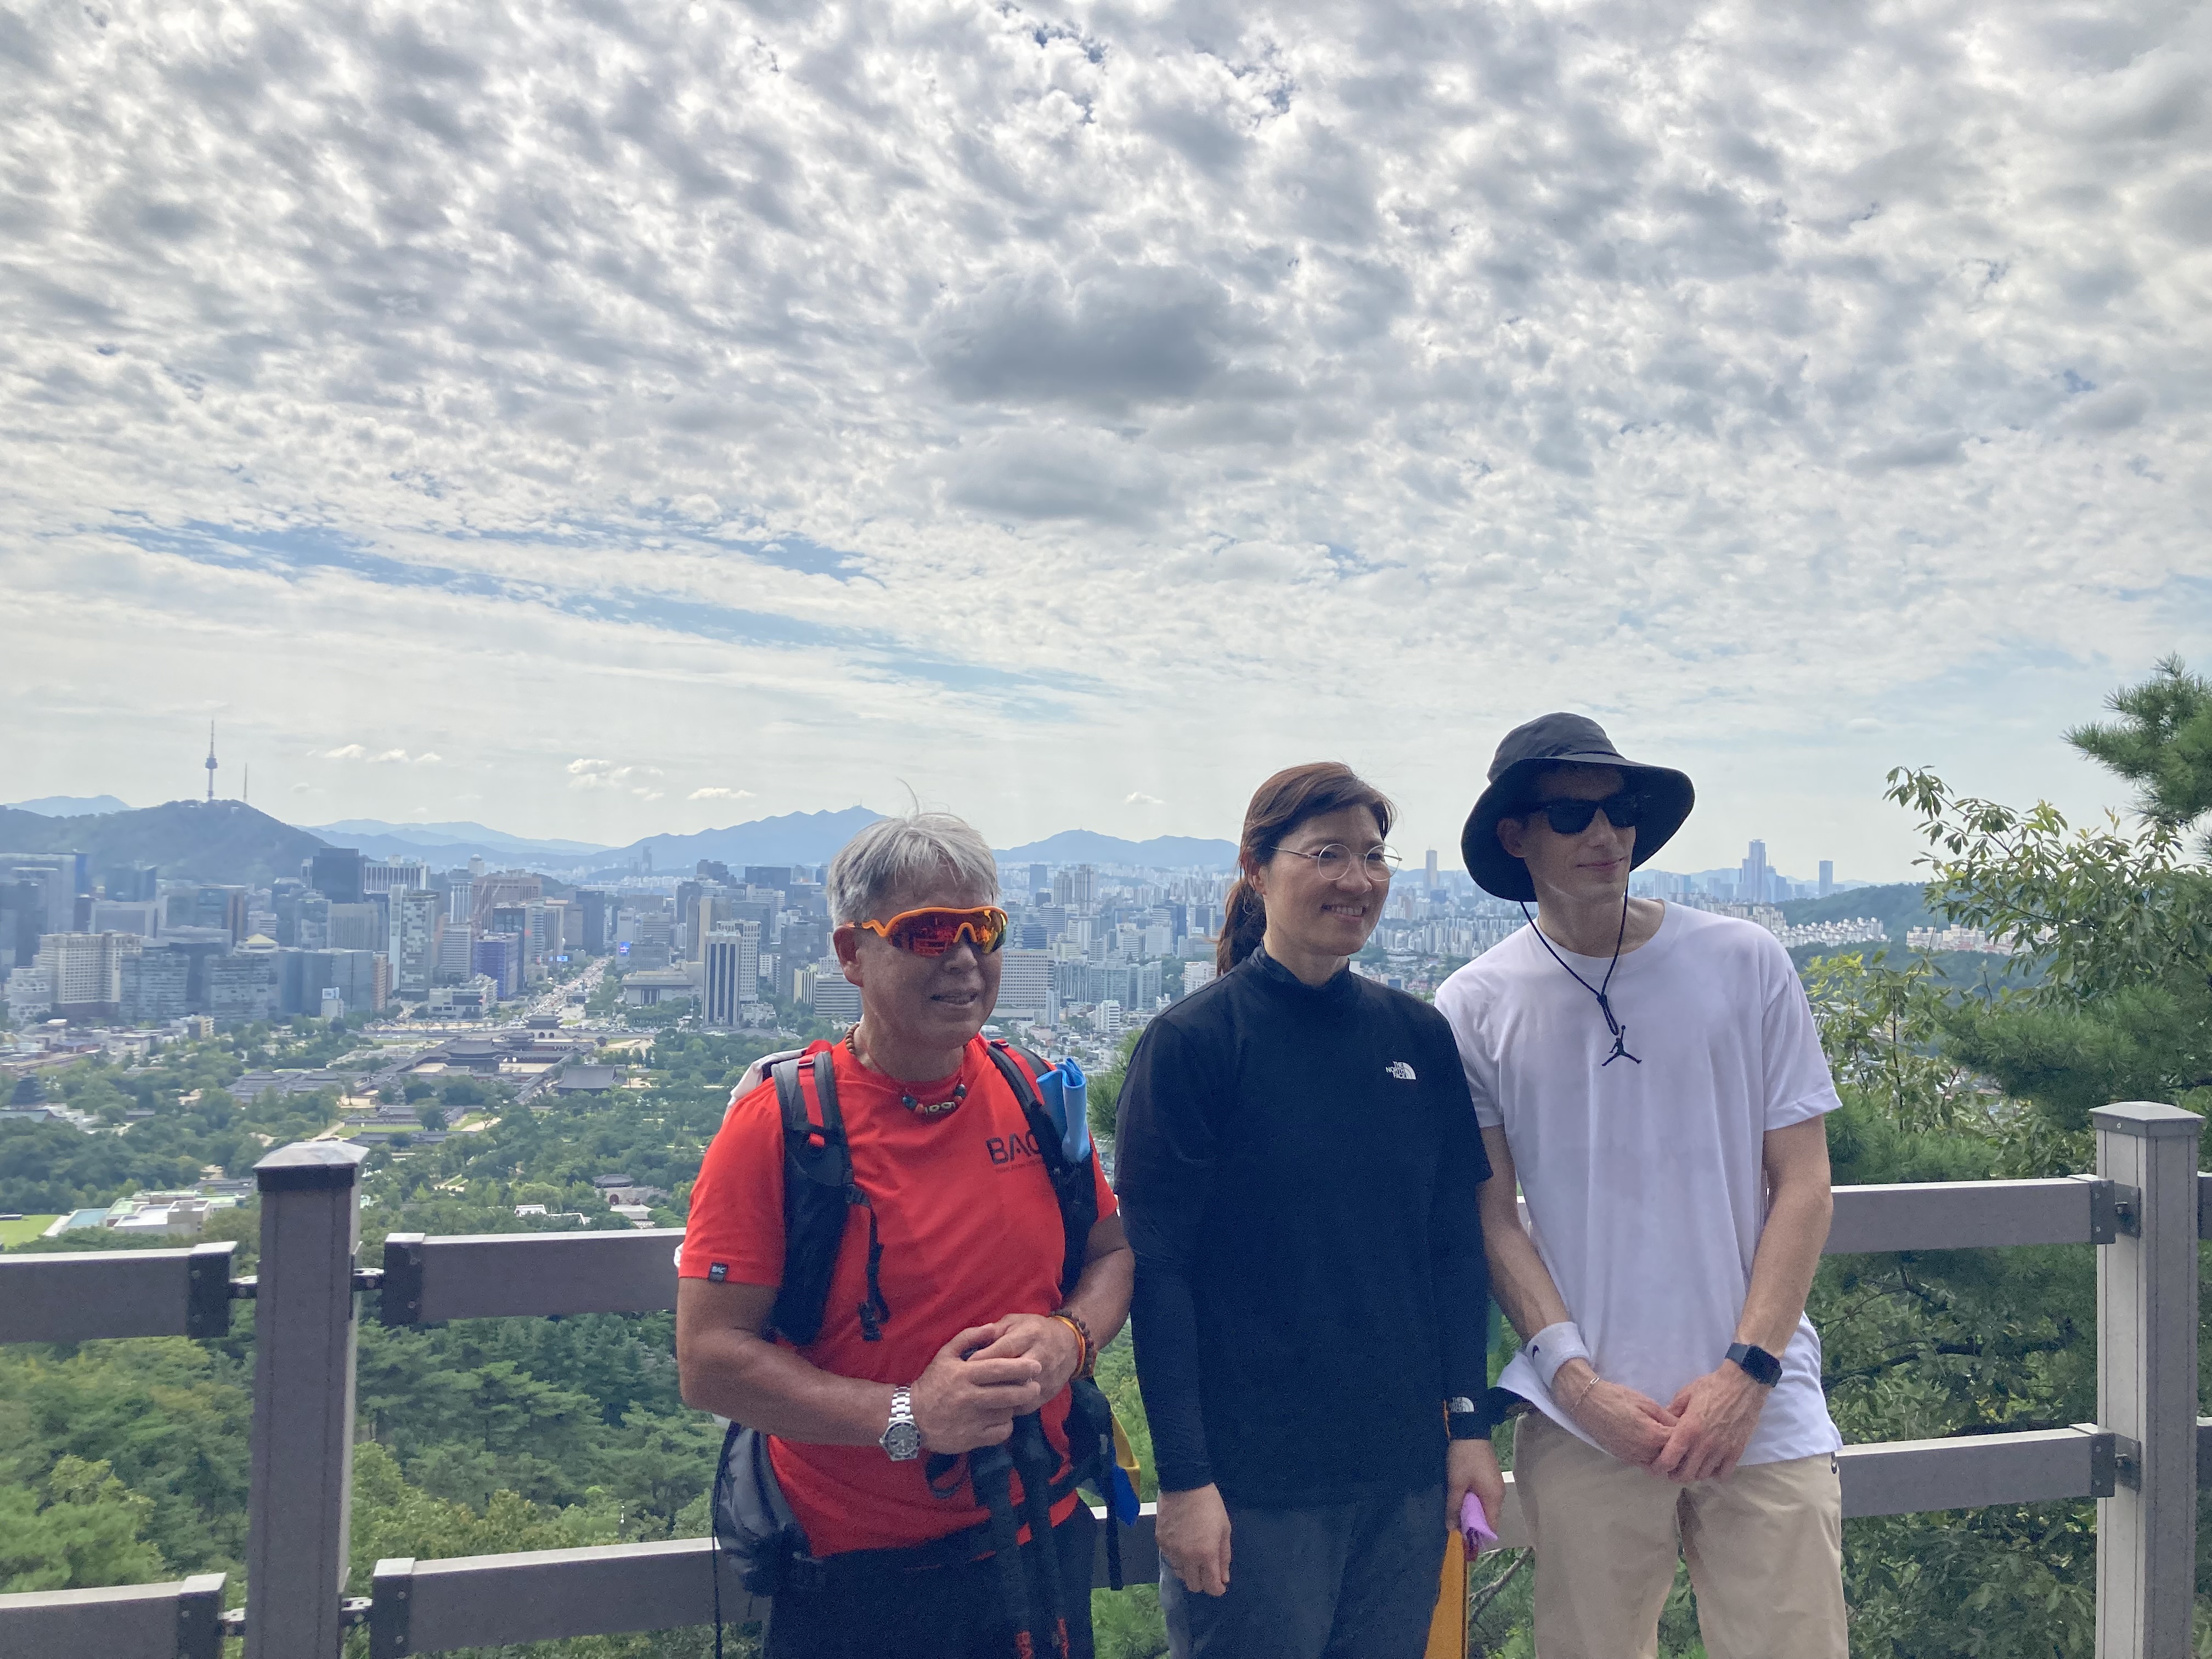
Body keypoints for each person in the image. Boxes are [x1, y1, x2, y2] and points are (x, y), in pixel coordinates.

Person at [1435, 714, 1846, 1659]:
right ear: (1515, 835)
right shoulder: (1474, 1005)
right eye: (1572, 814)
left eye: (1620, 810)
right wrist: (1577, 1385)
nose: (1604, 834)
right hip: (1584, 1422)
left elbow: (1805, 1182)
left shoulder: (1747, 962)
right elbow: (1492, 1216)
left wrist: (1747, 1373)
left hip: (1766, 1407)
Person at [675, 812, 1133, 1659]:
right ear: (852, 954)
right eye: (927, 933)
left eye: (982, 929)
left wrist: (1069, 1339)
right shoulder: (779, 1127)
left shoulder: (1031, 1089)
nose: (962, 957)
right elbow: (710, 1360)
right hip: (860, 1578)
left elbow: (1110, 1254)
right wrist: (909, 1415)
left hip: (1043, 1534)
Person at [1114, 762, 1504, 1659]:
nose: (1357, 879)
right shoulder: (1194, 1044)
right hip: (1254, 1487)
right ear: (1258, 868)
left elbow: (1453, 1245)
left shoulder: (1417, 1038)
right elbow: (1159, 1272)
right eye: (1327, 854)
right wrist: (1187, 1480)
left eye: (1373, 856)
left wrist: (1469, 1425)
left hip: (1402, 1478)